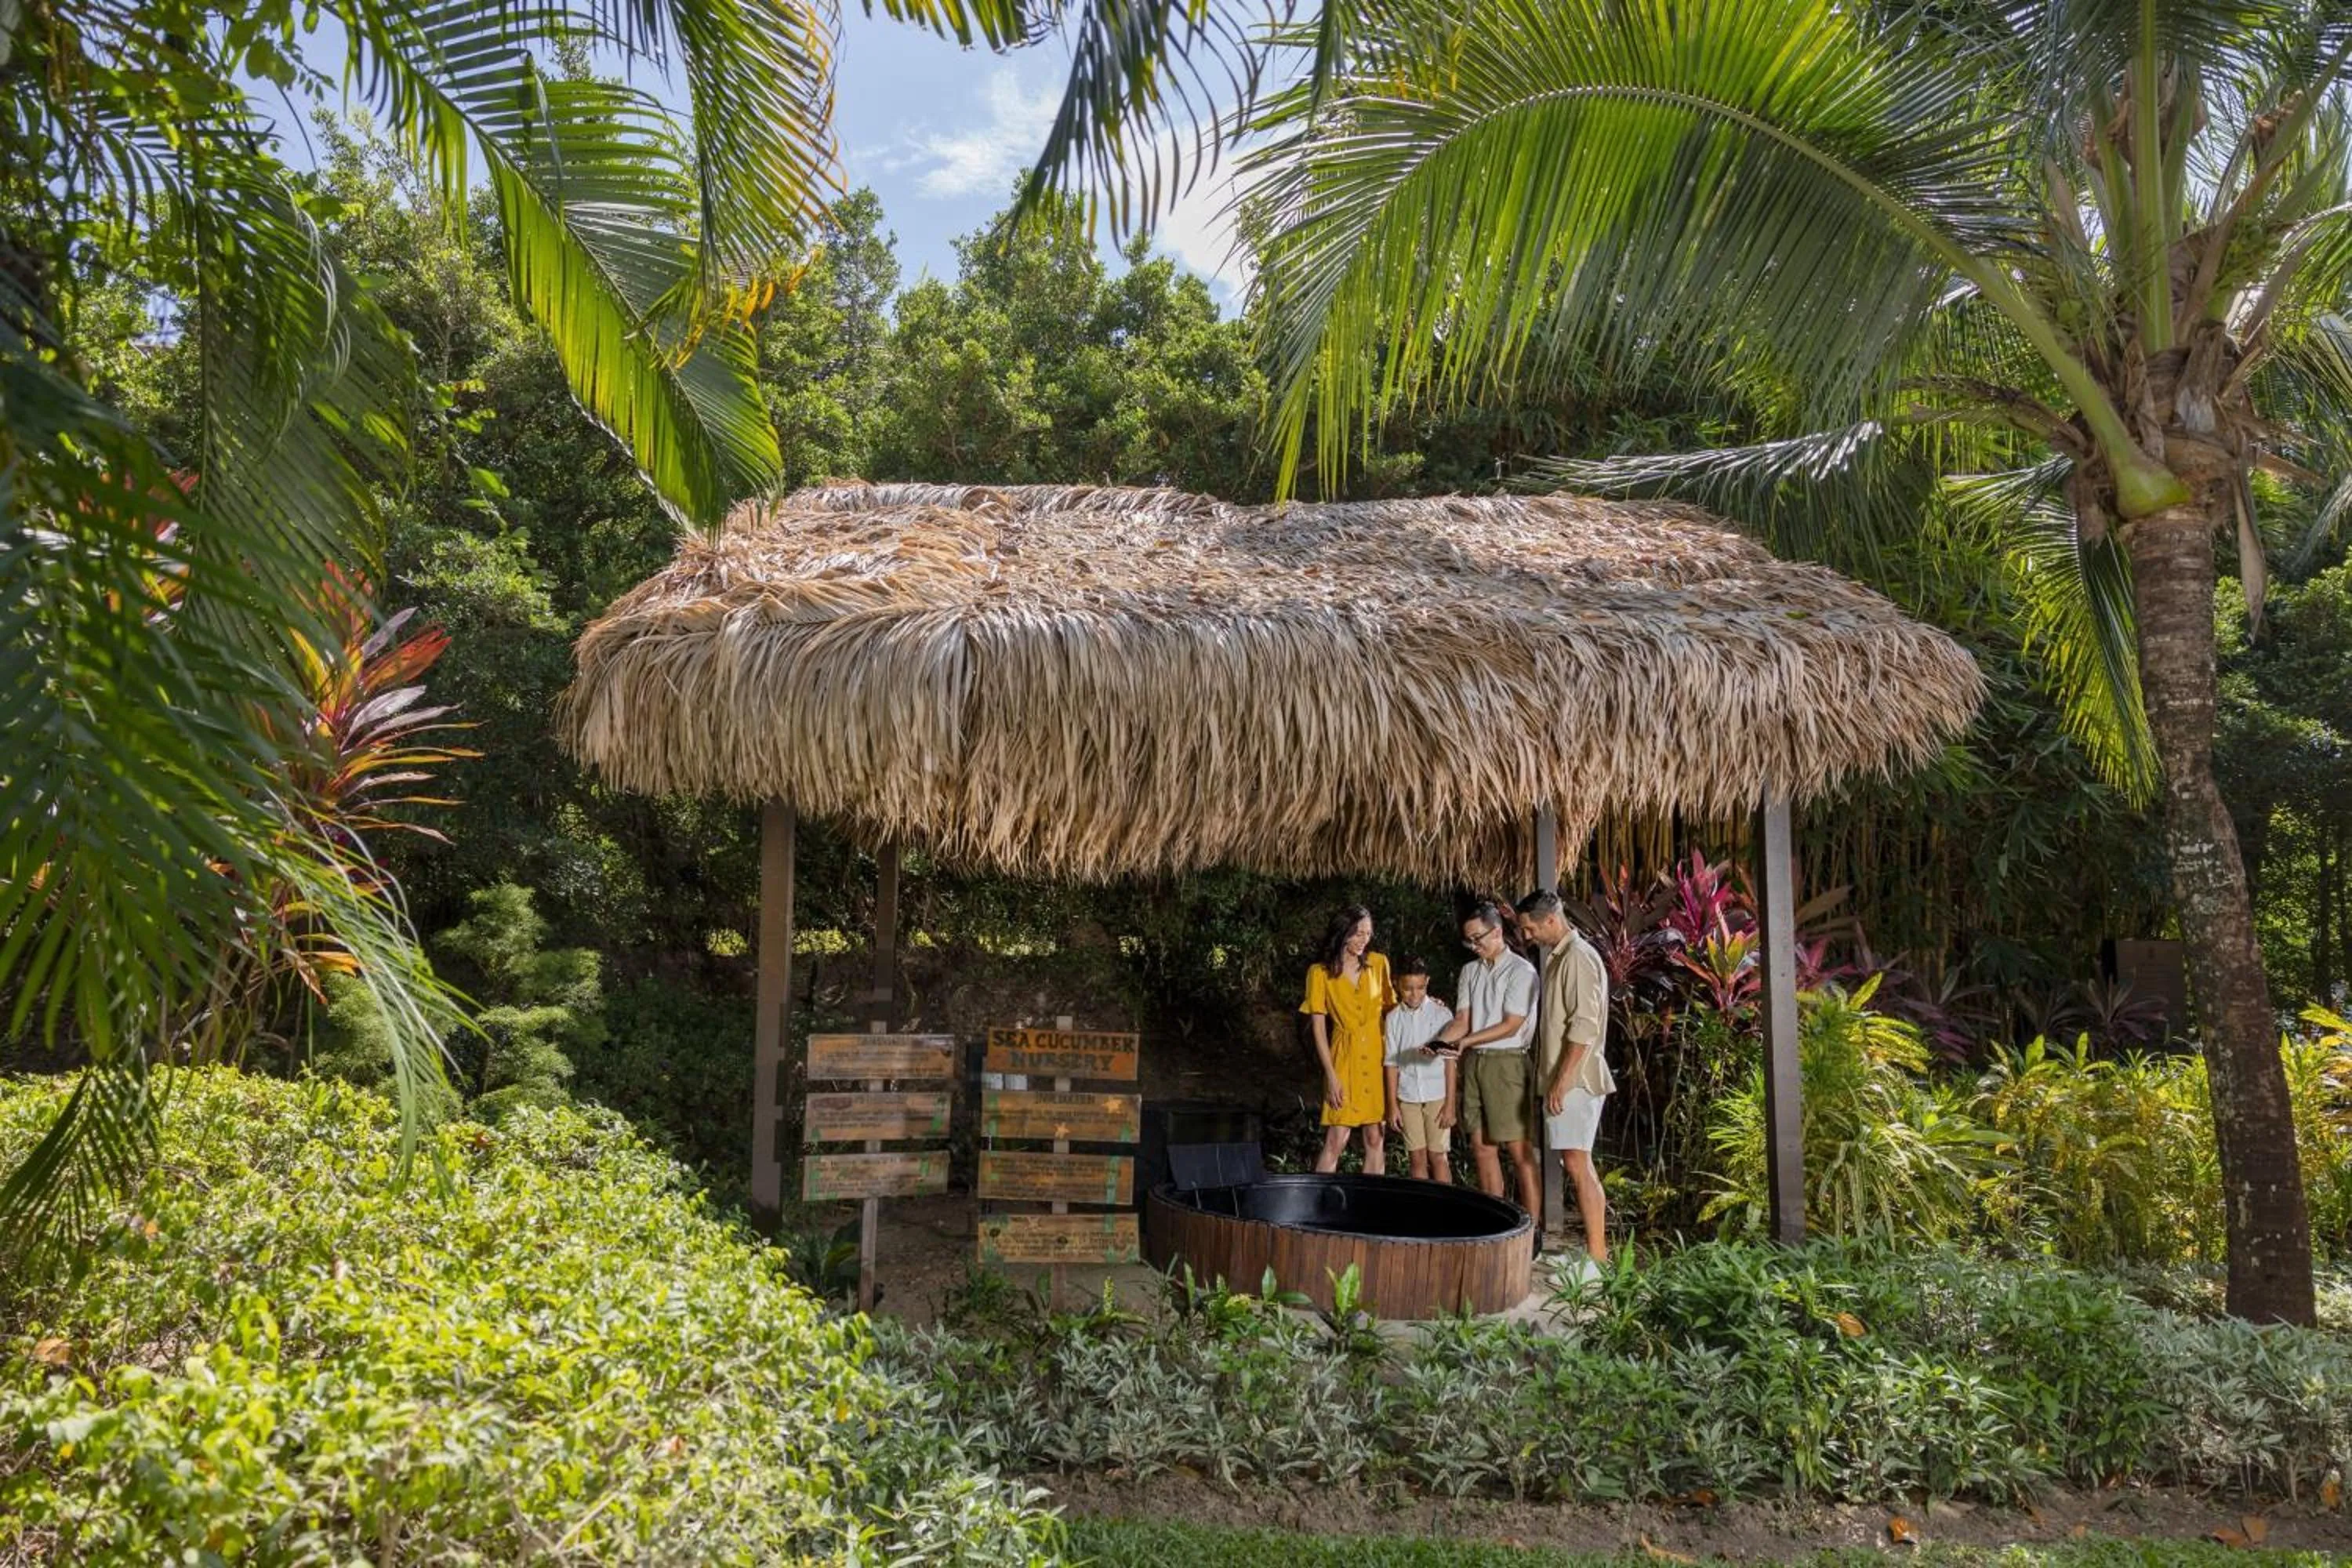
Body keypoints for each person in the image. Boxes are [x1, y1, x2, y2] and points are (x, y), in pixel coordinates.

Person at [1515, 889, 1616, 1265]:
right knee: (1574, 1162)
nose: (1527, 936)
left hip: (1576, 1081)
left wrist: (1561, 1081)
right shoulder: (1560, 958)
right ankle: (1595, 1255)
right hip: (1564, 1080)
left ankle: (1599, 1257)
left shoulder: (1578, 958)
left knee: (1578, 1163)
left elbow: (1585, 1027)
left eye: (1530, 928)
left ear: (1551, 921)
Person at [1436, 901, 1541, 1216]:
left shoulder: (1522, 971)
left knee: (1518, 1149)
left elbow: (1512, 1023)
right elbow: (1463, 1019)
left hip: (1508, 1062)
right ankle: (1496, 1222)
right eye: (1468, 940)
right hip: (1475, 1063)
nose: (1473, 946)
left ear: (1497, 932)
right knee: (1482, 1147)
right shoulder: (1470, 971)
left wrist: (1465, 1042)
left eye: (1477, 938)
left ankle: (1531, 1229)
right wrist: (1439, 1040)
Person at [1300, 905, 1396, 1174]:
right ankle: (1317, 1206)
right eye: (1358, 933)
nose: (1364, 939)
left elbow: (1393, 1010)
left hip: (1378, 1057)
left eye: (1368, 933)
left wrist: (1424, 1006)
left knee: (1375, 1137)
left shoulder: (1379, 964)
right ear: (1343, 933)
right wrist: (1331, 1075)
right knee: (1336, 1139)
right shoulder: (1319, 973)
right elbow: (1319, 1028)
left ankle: (1370, 1205)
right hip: (1343, 1059)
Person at [1382, 956, 1457, 1184]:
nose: (1415, 995)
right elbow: (1391, 1064)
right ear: (1397, 985)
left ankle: (1445, 1210)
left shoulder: (1442, 1014)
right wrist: (1393, 1105)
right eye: (1408, 989)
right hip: (1408, 1097)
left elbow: (1450, 1062)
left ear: (1427, 983)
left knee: (1438, 1156)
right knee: (1417, 1157)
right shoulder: (1393, 1018)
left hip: (1438, 1097)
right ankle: (1424, 1210)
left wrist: (1450, 1104)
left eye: (1420, 988)